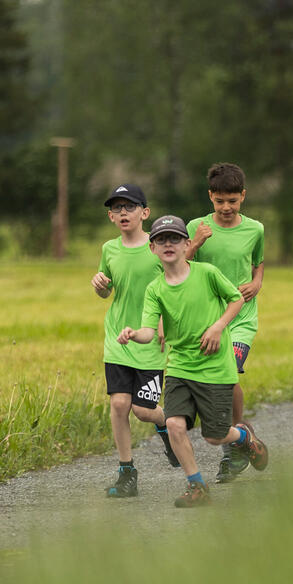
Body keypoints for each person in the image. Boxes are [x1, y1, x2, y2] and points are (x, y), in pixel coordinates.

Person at [118, 215, 269, 508]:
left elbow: (236, 298)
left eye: (175, 238)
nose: (168, 244)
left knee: (215, 437)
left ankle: (244, 438)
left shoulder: (207, 273)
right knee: (174, 425)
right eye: (161, 240)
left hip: (214, 367)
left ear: (187, 244)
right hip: (180, 366)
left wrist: (218, 327)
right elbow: (149, 332)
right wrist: (133, 333)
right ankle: (197, 485)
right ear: (153, 249)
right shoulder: (156, 289)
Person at [92, 184, 177, 498]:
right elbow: (107, 290)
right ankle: (127, 472)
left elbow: (174, 285)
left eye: (129, 207)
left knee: (143, 409)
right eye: (117, 208)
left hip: (150, 340)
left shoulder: (157, 249)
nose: (123, 212)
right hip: (118, 338)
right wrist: (100, 285)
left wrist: (165, 323)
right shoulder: (109, 250)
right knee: (119, 404)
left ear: (145, 213)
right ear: (111, 216)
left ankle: (165, 423)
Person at [185, 163, 265, 484]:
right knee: (219, 381)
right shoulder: (196, 226)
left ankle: (234, 444)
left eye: (233, 200)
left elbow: (258, 264)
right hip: (207, 319)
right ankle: (240, 435)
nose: (226, 208)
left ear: (243, 196)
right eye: (220, 201)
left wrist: (257, 284)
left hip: (242, 318)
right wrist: (195, 244)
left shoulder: (255, 229)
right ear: (210, 197)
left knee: (227, 374)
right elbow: (180, 267)